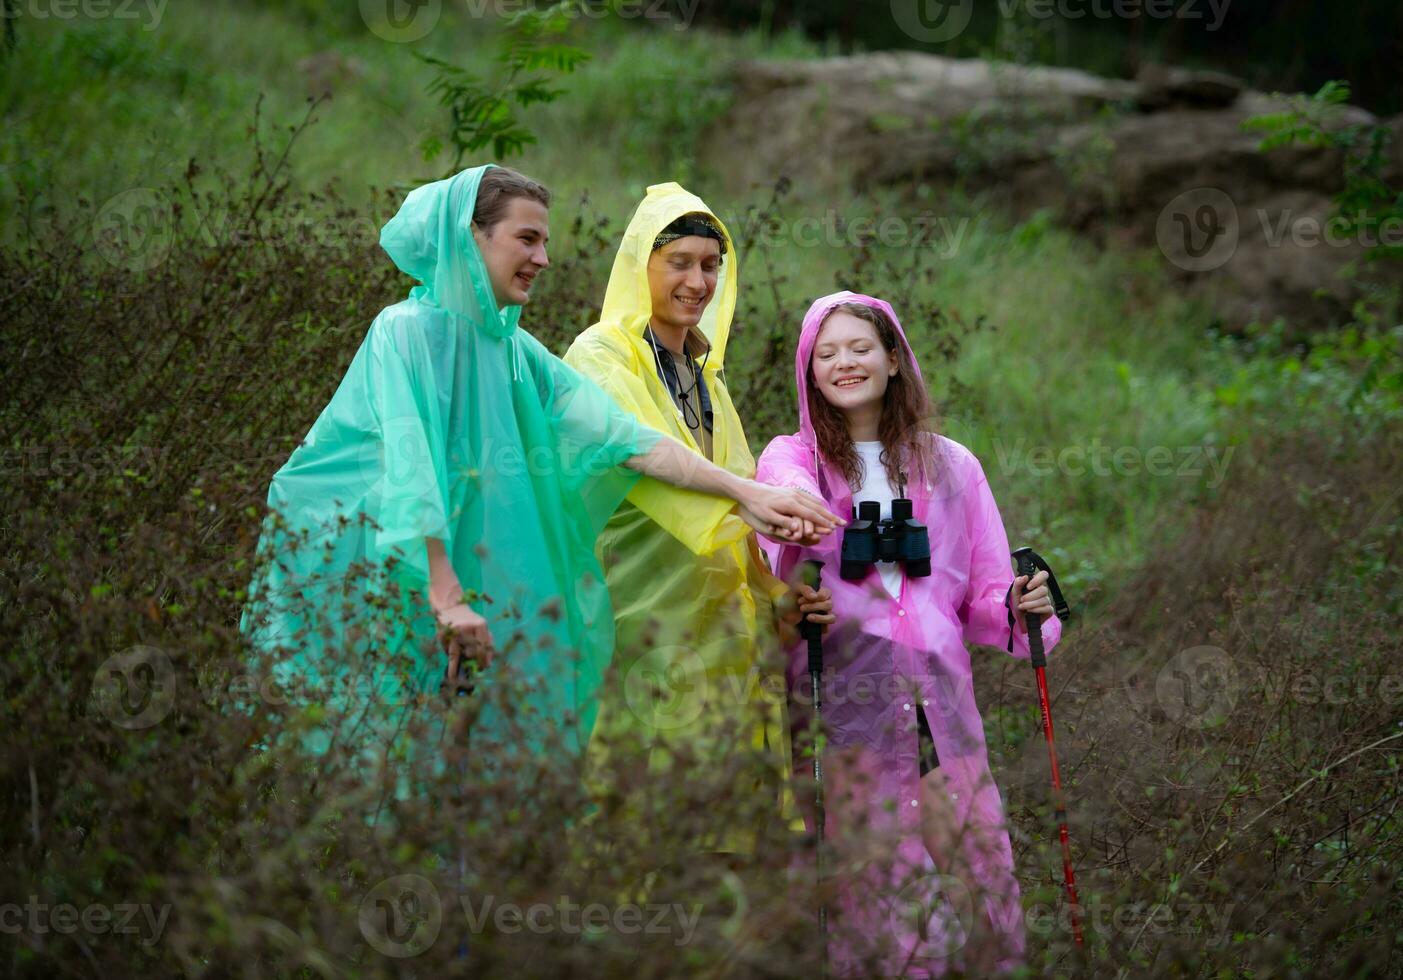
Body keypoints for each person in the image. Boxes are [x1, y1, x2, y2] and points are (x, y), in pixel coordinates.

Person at [238, 165, 838, 809]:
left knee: (465, 776)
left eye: (545, 242)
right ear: (471, 238)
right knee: (381, 762)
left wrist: (743, 493)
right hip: (392, 571)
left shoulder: (517, 353)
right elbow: (412, 471)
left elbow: (626, 438)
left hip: (462, 584)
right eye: (526, 239)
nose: (543, 258)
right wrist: (444, 597)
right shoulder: (407, 332)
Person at [755, 291, 1061, 976]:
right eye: (825, 353)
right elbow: (776, 519)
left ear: (894, 358)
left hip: (939, 707)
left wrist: (1023, 605)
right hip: (846, 709)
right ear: (809, 373)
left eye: (859, 347)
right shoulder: (791, 459)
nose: (844, 363)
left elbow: (983, 599)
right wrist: (805, 525)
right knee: (871, 891)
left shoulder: (953, 467)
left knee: (976, 873)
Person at [563, 183, 834, 857]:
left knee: (723, 828)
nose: (698, 280)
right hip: (639, 620)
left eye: (711, 264)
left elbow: (736, 518)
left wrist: (777, 593)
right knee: (643, 806)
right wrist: (748, 495)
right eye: (679, 261)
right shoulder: (600, 355)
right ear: (640, 266)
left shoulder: (706, 377)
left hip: (722, 637)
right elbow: (638, 450)